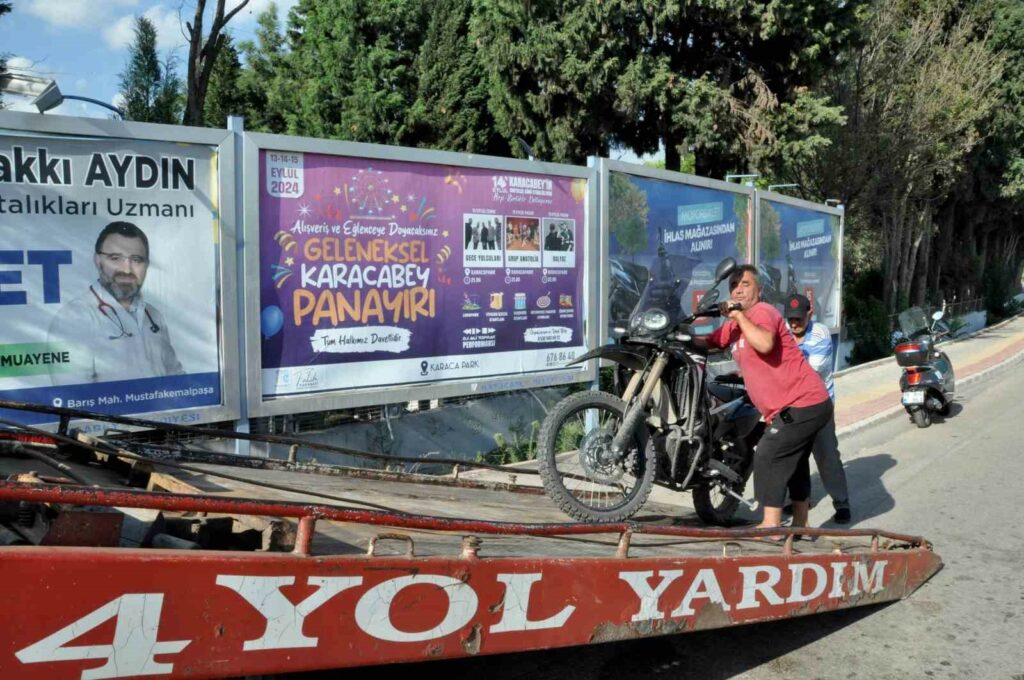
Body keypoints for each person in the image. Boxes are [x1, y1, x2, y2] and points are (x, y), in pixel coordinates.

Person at [699, 265, 832, 534]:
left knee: (769, 454)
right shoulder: (735, 325)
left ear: (758, 290)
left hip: (803, 401)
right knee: (794, 462)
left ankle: (771, 525)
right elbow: (711, 342)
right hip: (801, 405)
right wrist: (677, 335)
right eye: (734, 285)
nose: (738, 289)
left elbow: (764, 344)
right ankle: (800, 525)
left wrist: (739, 314)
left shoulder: (763, 311)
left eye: (745, 284)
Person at [47, 221, 183, 384]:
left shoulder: (153, 316)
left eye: (136, 260)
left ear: (146, 265)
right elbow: (73, 394)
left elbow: (176, 375)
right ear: (98, 261)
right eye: (115, 258)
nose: (127, 269)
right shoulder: (74, 317)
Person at [785, 294, 852, 523]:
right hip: (792, 405)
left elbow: (808, 374)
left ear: (810, 314)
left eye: (799, 319)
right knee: (795, 458)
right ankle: (800, 500)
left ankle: (841, 502)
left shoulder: (820, 334)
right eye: (791, 319)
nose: (794, 324)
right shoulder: (784, 331)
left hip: (819, 406)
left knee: (827, 456)